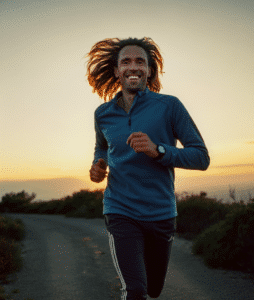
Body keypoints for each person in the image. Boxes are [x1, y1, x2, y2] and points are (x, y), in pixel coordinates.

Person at [86, 37, 210, 299]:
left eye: (140, 61)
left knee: (153, 289)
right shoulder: (103, 114)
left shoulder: (169, 106)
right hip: (120, 209)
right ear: (117, 70)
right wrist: (98, 166)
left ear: (150, 70)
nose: (134, 66)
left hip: (161, 212)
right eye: (126, 61)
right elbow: (102, 148)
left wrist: (159, 150)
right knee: (136, 290)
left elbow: (201, 157)